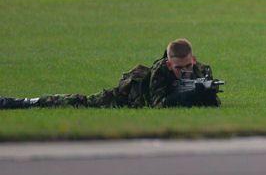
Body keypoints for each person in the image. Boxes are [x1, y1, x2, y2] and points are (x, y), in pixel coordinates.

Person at [0, 38, 222, 109]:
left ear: (193, 59)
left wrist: (205, 94)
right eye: (178, 68)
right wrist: (188, 96)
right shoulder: (159, 71)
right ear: (168, 63)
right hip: (126, 97)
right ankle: (22, 102)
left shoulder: (202, 71)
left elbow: (215, 103)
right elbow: (158, 105)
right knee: (79, 101)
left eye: (187, 66)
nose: (184, 71)